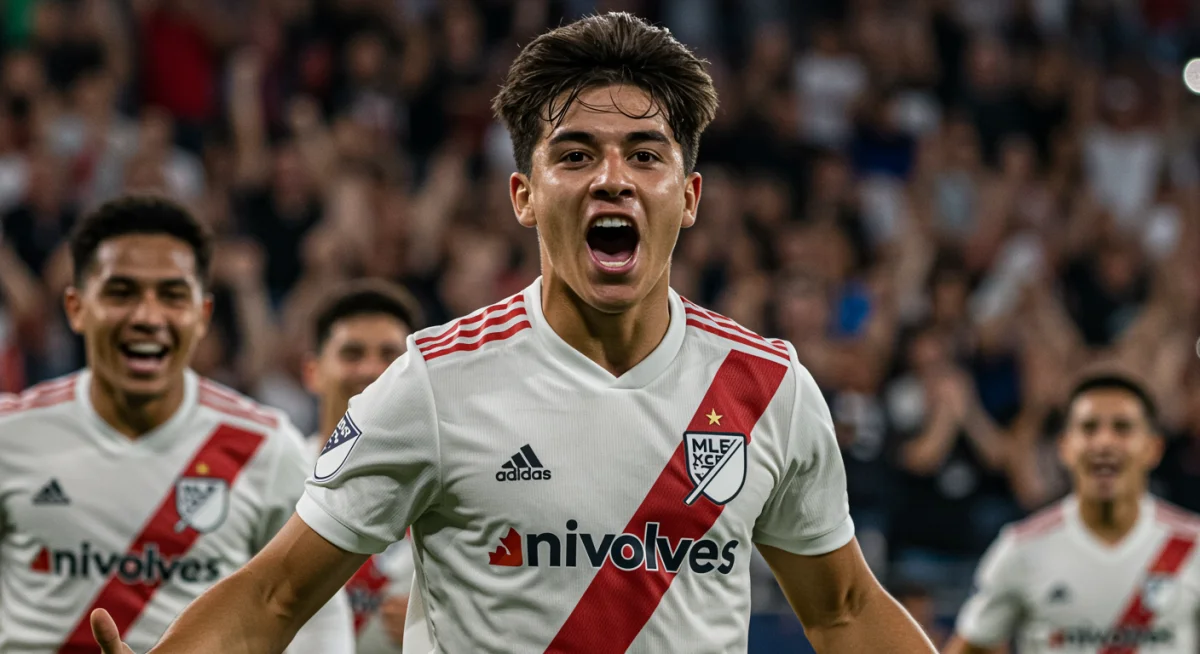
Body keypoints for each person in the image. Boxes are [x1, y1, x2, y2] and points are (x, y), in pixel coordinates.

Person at [92, 13, 935, 653]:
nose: (612, 178)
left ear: (690, 196)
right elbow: (277, 594)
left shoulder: (769, 388)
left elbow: (845, 608)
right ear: (524, 196)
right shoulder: (433, 381)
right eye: (574, 155)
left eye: (646, 154)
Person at [0, 195, 355, 652]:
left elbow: (316, 615)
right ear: (76, 308)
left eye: (171, 295)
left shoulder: (264, 447)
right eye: (121, 293)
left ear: (202, 314)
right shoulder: (11, 436)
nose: (148, 317)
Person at [945, 373, 1200, 654]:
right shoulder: (1022, 547)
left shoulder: (1194, 544)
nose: (1104, 443)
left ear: (1154, 448)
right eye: (1089, 428)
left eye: (1122, 428)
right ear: (1065, 447)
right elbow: (972, 647)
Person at [303, 281, 424, 652]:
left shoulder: (452, 487)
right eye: (352, 354)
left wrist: (438, 629)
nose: (372, 370)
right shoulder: (274, 474)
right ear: (313, 373)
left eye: (390, 355)